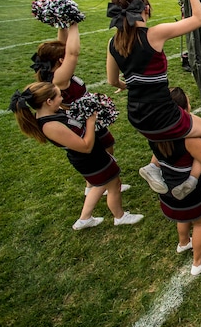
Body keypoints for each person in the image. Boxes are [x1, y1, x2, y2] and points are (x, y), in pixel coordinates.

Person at [106, 0, 201, 195]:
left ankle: (153, 166)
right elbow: (200, 19)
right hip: (162, 116)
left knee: (163, 136)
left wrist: (127, 85)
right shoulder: (153, 34)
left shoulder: (112, 42)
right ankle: (192, 180)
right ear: (145, 8)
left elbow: (112, 81)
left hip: (137, 117)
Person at [10, 82, 143, 230]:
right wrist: (91, 121)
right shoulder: (50, 126)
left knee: (101, 185)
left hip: (93, 156)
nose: (62, 98)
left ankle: (84, 219)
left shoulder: (52, 112)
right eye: (59, 96)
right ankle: (120, 216)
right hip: (89, 158)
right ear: (49, 101)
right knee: (113, 185)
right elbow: (85, 146)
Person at [31, 19, 130, 196]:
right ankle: (103, 184)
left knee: (107, 143)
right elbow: (73, 53)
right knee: (101, 148)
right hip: (83, 118)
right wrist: (74, 23)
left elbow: (64, 46)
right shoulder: (59, 78)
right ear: (60, 60)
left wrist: (62, 22)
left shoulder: (54, 71)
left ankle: (101, 184)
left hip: (86, 114)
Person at [149, 87, 201, 276]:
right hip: (189, 191)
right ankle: (198, 262)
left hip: (166, 188)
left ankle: (183, 243)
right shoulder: (190, 139)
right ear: (182, 111)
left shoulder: (155, 134)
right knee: (200, 222)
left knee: (182, 217)